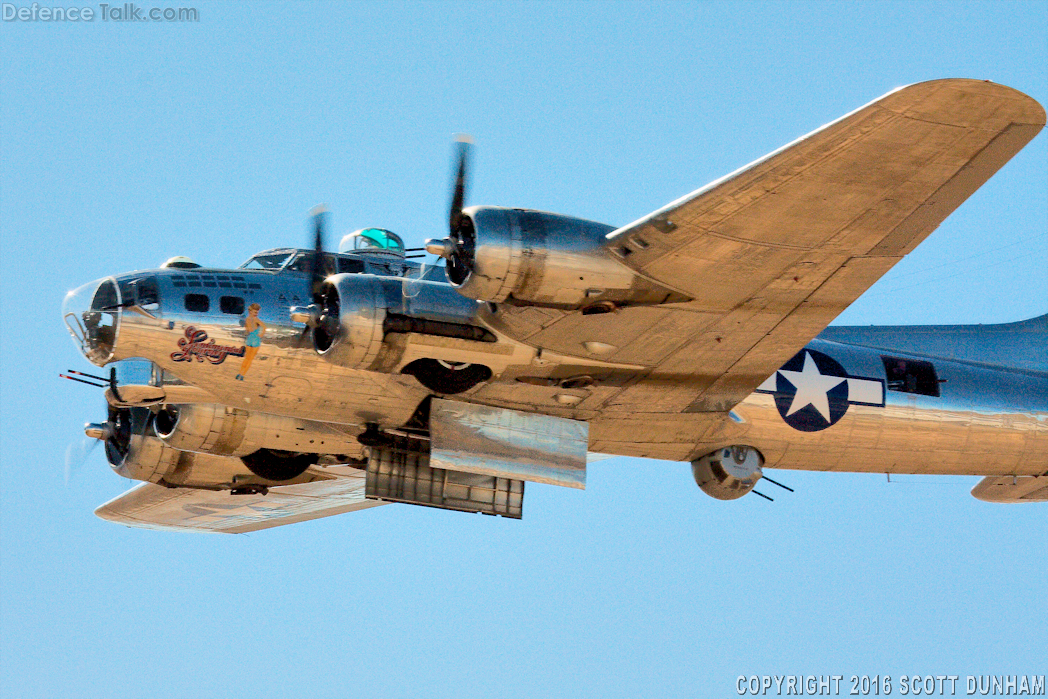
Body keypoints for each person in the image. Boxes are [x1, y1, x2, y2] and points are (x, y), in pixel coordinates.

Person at [236, 303, 266, 380]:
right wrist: (261, 334)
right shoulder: (255, 319)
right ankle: (242, 375)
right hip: (255, 340)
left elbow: (247, 329)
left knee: (247, 358)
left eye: (257, 312)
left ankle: (239, 373)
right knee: (250, 359)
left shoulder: (247, 319)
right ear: (250, 311)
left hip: (250, 339)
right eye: (255, 312)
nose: (256, 314)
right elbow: (264, 326)